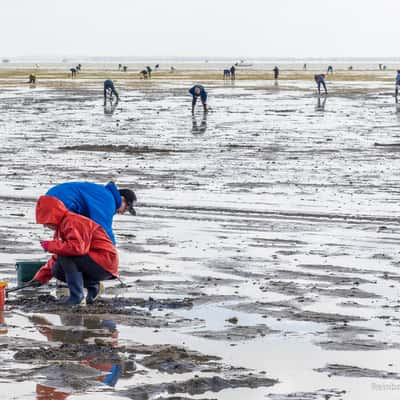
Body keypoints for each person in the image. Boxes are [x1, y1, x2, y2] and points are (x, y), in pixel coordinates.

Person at [30, 195, 119, 305]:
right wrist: (40, 278)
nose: (45, 225)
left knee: (66, 255)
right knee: (56, 269)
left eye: (46, 221)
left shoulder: (73, 221)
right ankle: (93, 285)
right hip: (94, 262)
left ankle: (76, 297)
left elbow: (77, 248)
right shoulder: (62, 226)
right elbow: (58, 255)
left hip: (105, 261)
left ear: (53, 216)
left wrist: (51, 245)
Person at [46, 181, 136, 245]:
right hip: (58, 203)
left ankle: (61, 266)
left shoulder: (102, 194)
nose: (122, 213)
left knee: (77, 239)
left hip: (48, 202)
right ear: (122, 199)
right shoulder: (108, 199)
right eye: (126, 209)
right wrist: (112, 251)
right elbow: (103, 229)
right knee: (77, 240)